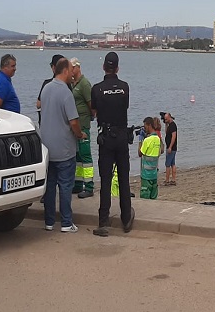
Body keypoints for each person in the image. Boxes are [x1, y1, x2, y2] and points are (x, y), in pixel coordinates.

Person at [39, 58, 86, 233]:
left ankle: (49, 221)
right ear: (65, 71)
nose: (72, 73)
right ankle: (66, 222)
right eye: (70, 70)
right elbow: (73, 121)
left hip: (47, 146)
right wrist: (80, 134)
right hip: (64, 148)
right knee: (65, 186)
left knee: (50, 186)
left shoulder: (46, 89)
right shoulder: (66, 93)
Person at [90, 52, 134, 236]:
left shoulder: (97, 89)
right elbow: (125, 107)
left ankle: (103, 221)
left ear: (104, 68)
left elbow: (94, 112)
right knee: (124, 179)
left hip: (106, 137)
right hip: (122, 136)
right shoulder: (124, 87)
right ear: (117, 68)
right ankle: (125, 218)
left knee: (106, 180)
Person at [69, 57, 95, 198]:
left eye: (72, 68)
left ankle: (89, 186)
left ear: (78, 67)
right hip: (76, 125)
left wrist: (90, 117)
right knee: (78, 156)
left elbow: (91, 104)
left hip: (83, 124)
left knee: (85, 156)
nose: (71, 71)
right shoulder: (74, 84)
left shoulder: (84, 84)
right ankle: (78, 184)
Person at [138, 117, 163, 199]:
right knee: (154, 198)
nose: (145, 129)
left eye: (145, 127)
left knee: (145, 198)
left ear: (149, 125)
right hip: (154, 174)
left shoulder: (147, 140)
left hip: (146, 175)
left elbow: (140, 153)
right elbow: (160, 151)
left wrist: (140, 140)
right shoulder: (157, 139)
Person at [36, 54, 65, 124]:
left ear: (53, 67)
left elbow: (38, 104)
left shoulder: (47, 84)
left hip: (47, 123)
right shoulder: (67, 85)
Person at [162, 112, 178, 186]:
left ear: (169, 117)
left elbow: (173, 137)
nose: (165, 120)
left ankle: (167, 180)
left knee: (168, 164)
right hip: (171, 147)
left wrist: (170, 147)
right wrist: (165, 124)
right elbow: (167, 133)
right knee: (172, 163)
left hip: (171, 148)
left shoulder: (173, 125)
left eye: (166, 119)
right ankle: (173, 179)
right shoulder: (169, 125)